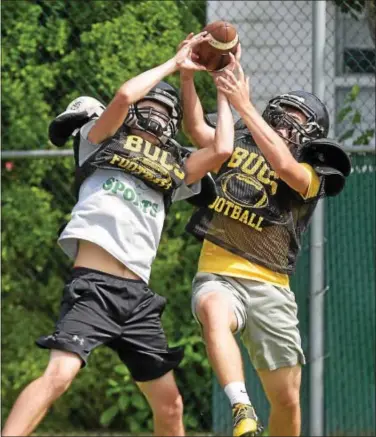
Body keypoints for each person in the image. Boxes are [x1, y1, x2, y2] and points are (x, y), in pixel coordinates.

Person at [2, 32, 236, 437]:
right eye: (153, 106)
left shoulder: (174, 165)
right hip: (94, 287)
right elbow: (126, 96)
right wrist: (174, 63)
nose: (159, 115)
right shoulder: (100, 141)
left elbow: (221, 150)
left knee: (171, 406)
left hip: (138, 299)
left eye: (168, 112)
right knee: (59, 375)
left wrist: (219, 83)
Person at [181, 59, 351, 437]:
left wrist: (243, 104)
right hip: (219, 272)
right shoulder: (239, 141)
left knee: (288, 402)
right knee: (212, 309)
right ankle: (241, 408)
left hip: (270, 285)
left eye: (294, 122)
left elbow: (282, 163)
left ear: (310, 137)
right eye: (280, 117)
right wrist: (191, 76)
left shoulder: (312, 172)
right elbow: (195, 128)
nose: (283, 125)